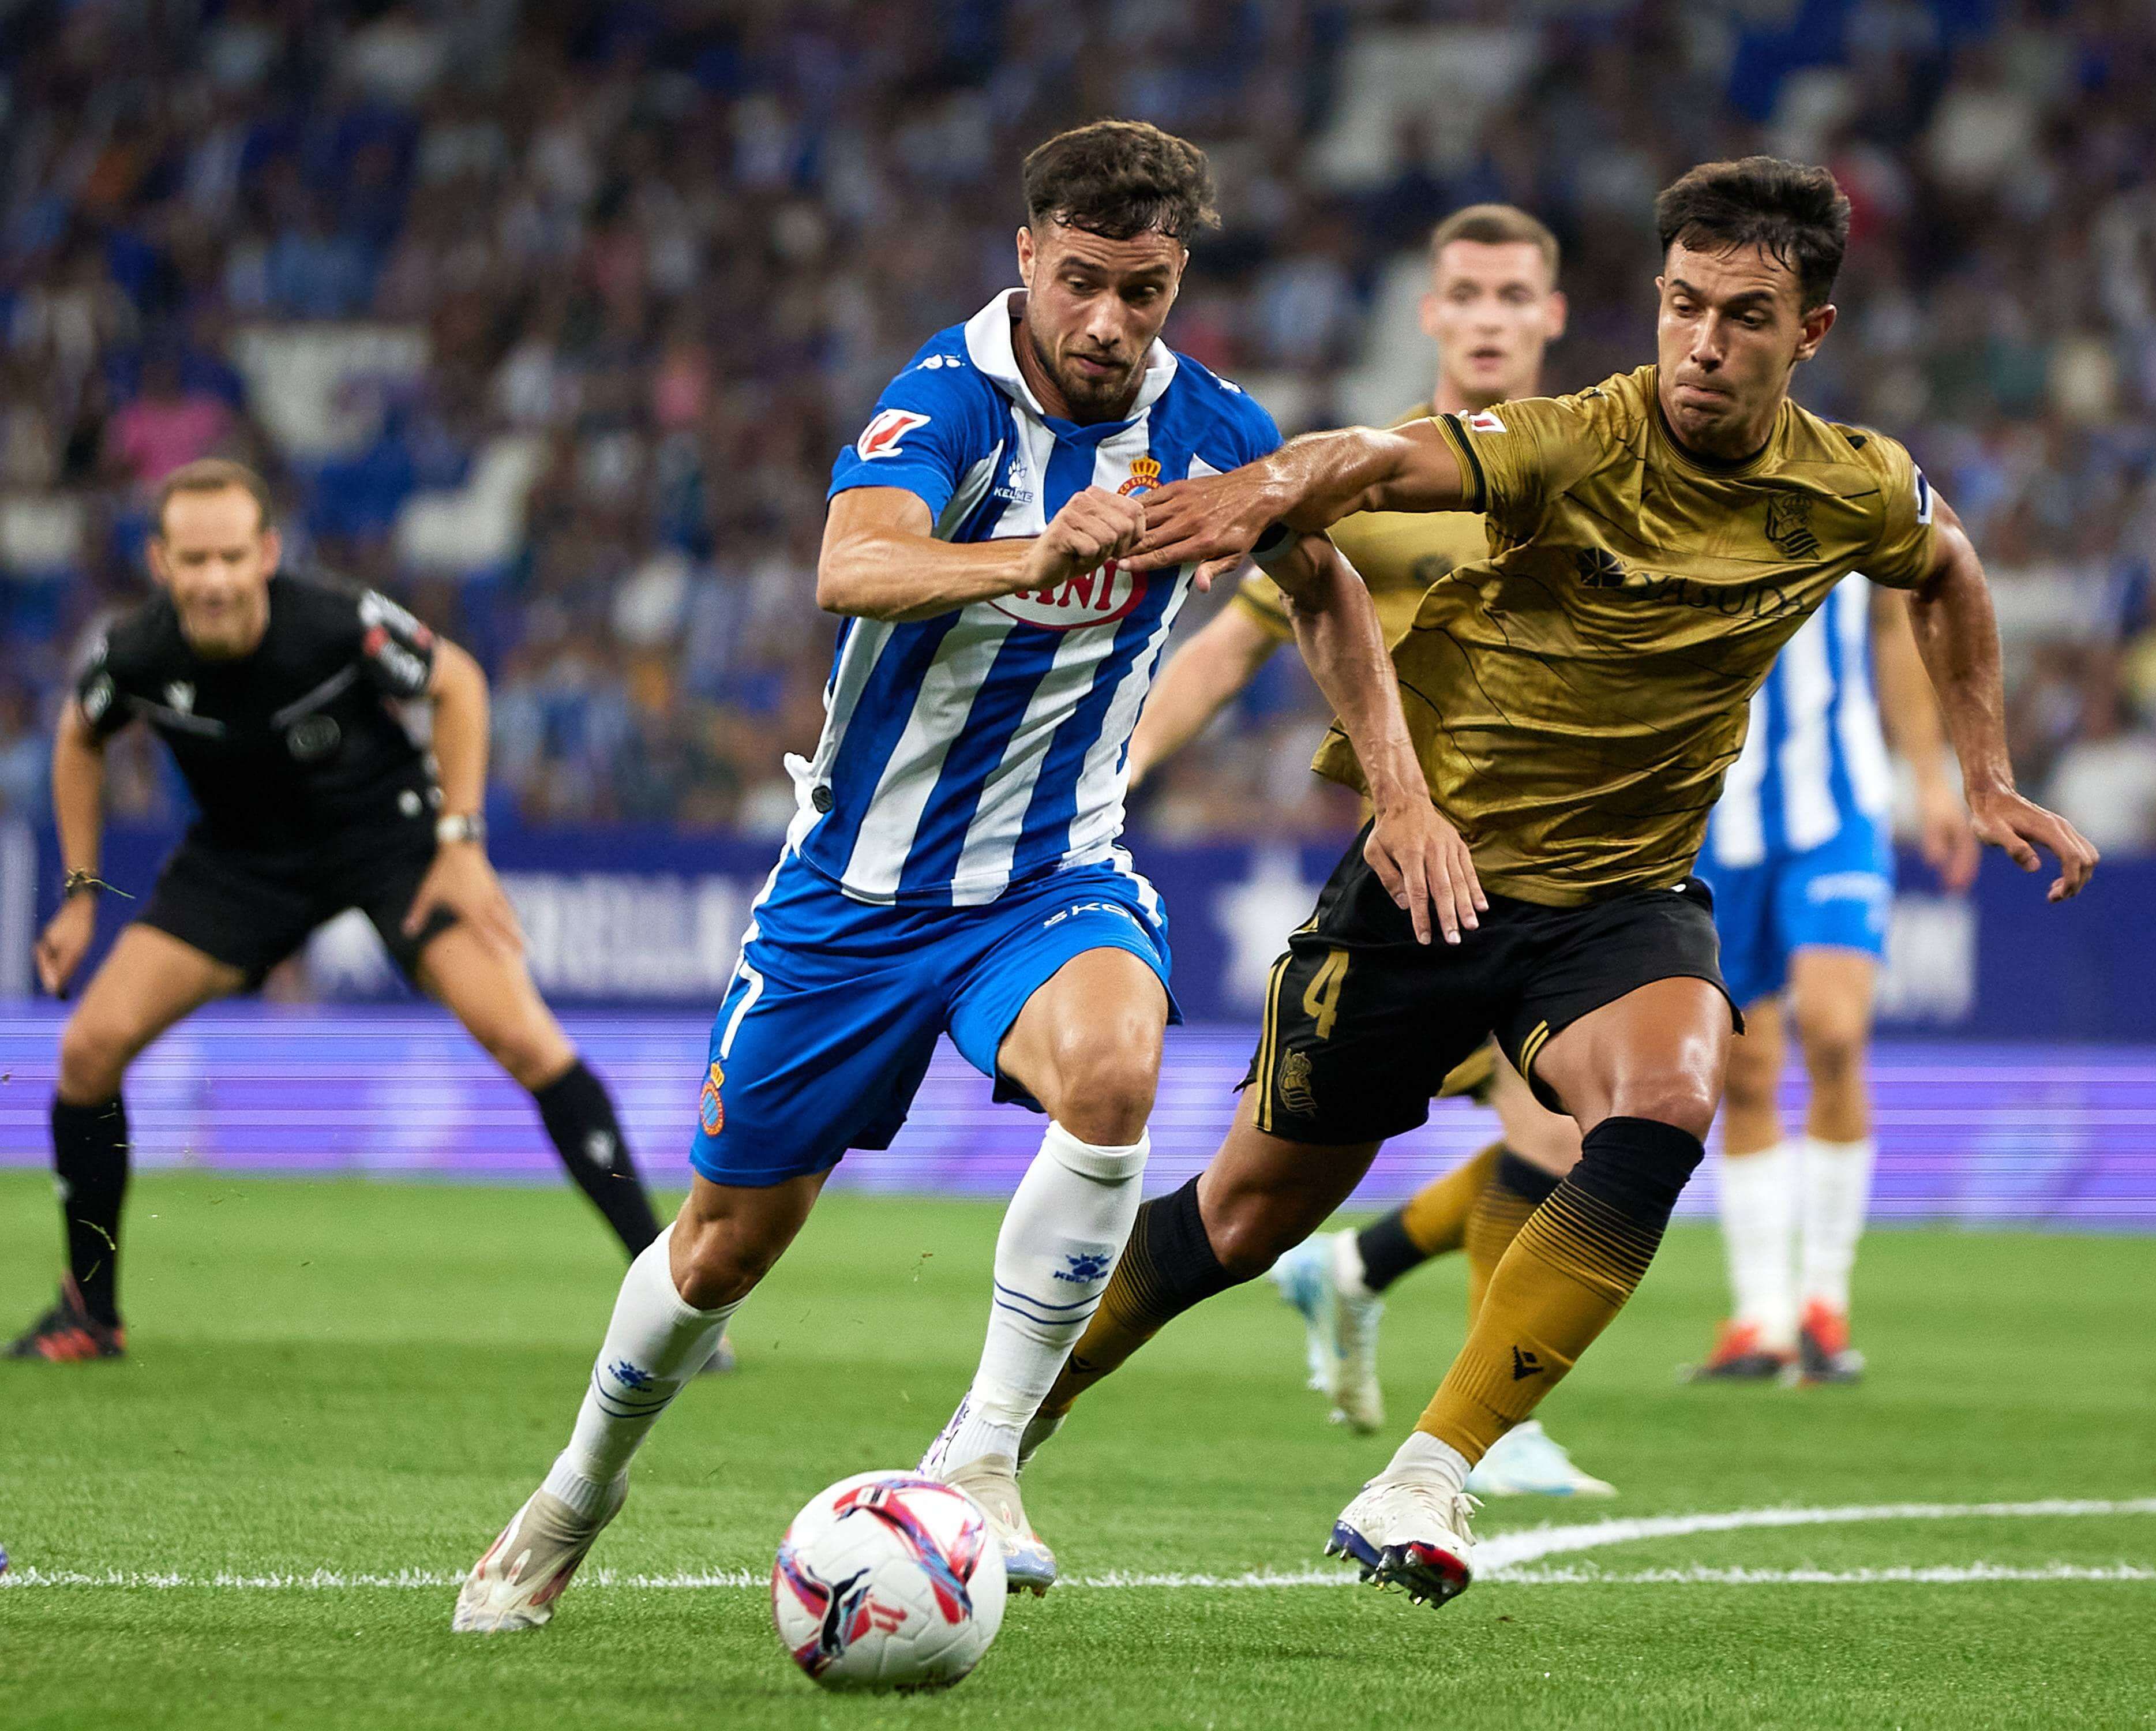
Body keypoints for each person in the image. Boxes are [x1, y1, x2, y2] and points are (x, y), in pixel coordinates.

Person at [1015, 156, 2098, 1608]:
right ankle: (995, 1434)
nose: (1704, 344)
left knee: (1666, 1102)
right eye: (1683, 306)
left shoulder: (1847, 486)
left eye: (1746, 315)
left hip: (1624, 900)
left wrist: (1980, 769)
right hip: (1429, 879)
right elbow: (1386, 462)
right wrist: (1265, 487)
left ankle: (1432, 1469)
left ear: (1811, 334)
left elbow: (1949, 569)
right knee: (1244, 1217)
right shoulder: (1575, 439)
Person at [451, 121, 1474, 1633]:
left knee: (1118, 1066)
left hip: (1051, 876)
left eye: (1144, 290)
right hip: (852, 898)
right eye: (1082, 284)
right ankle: (578, 1488)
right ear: (1025, 258)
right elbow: (850, 564)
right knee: (726, 1244)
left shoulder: (1208, 428)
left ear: (1176, 277)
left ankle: (987, 1456)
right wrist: (1028, 556)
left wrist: (1399, 793)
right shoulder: (947, 399)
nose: (1111, 323)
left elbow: (1318, 584)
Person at [1130, 203, 1608, 1497]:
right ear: (1432, 313)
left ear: (1552, 316)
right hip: (1410, 890)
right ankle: (1365, 1301)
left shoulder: (1592, 468)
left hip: (1562, 878)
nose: (1494, 315)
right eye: (1470, 292)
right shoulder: (1375, 472)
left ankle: (1419, 1351)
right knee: (1267, 1190)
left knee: (1569, 1129)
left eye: (1518, 294)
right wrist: (1111, 778)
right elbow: (1229, 649)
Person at [10, 459, 678, 1364]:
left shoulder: (333, 621)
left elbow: (460, 684)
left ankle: (669, 1304)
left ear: (267, 555)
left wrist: (463, 843)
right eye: (194, 560)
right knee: (89, 1051)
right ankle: (91, 1314)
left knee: (527, 1041)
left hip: (391, 848)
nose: (213, 580)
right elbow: (78, 736)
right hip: (241, 865)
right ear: (161, 562)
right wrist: (82, 895)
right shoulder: (133, 651)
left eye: (232, 557)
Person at [1688, 575, 1979, 1385]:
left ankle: (1823, 1301)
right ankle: (1762, 1318)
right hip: (1714, 818)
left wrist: (1929, 775)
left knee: (1834, 1030)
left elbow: (1898, 624)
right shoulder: (1668, 484)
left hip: (1840, 808)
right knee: (1742, 1069)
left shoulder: (1851, 480)